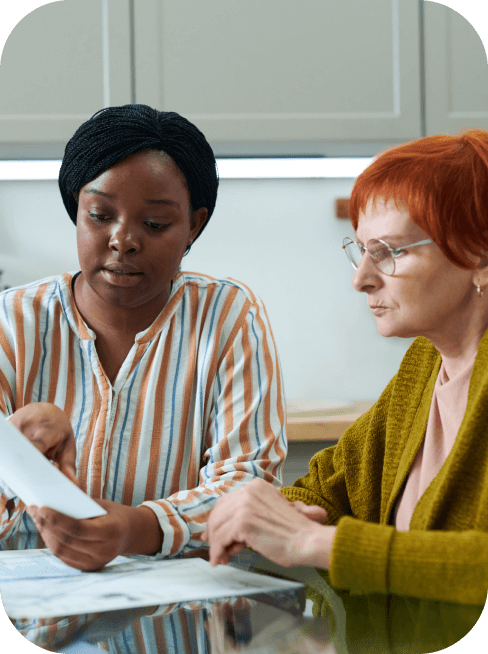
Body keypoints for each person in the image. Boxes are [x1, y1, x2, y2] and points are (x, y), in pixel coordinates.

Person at [201, 128, 488, 606]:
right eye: (361, 250)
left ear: (478, 254)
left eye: (389, 252)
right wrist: (266, 514)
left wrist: (314, 543)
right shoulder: (427, 363)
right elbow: (330, 488)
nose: (361, 279)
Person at [0, 104, 286, 571]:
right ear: (76, 207)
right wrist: (16, 459)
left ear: (193, 224)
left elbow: (249, 485)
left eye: (154, 225)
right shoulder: (11, 321)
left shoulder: (228, 317)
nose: (123, 240)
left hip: (177, 622)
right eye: (99, 215)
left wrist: (137, 528)